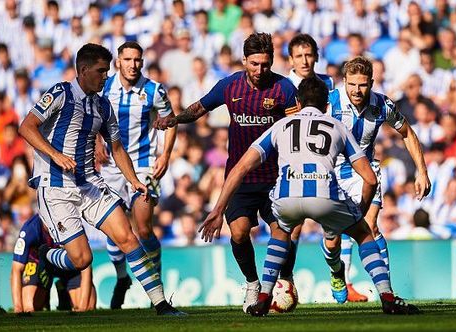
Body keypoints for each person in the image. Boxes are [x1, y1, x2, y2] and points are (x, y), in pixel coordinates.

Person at [200, 76, 419, 316]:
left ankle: (263, 298)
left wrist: (218, 209)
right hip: (324, 193)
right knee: (364, 234)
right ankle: (387, 297)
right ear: (327, 105)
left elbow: (240, 168)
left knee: (281, 234)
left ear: (298, 102)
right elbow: (370, 178)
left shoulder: (281, 125)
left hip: (287, 196)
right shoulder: (337, 126)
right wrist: (358, 214)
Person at [18, 43, 183, 316]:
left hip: (90, 184)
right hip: (56, 186)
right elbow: (26, 127)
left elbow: (117, 148)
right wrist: (55, 155)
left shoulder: (103, 105)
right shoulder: (60, 93)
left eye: (106, 71)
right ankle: (47, 254)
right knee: (82, 259)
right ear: (83, 70)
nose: (105, 76)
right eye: (100, 71)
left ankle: (162, 304)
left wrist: (134, 181)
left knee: (128, 237)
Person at [155, 32, 297, 312]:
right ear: (244, 60)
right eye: (255, 64)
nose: (260, 70)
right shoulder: (230, 86)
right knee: (240, 233)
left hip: (275, 177)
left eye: (265, 64)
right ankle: (253, 284)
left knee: (282, 232)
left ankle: (281, 284)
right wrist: (174, 119)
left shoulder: (284, 89)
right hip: (240, 178)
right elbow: (198, 108)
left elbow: (297, 128)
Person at [328, 56, 430, 299]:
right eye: (352, 84)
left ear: (371, 83)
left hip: (366, 171)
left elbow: (407, 132)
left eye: (362, 84)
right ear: (344, 82)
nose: (356, 90)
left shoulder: (382, 105)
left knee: (370, 226)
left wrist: (422, 171)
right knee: (336, 234)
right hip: (334, 170)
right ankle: (339, 276)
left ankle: (386, 291)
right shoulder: (330, 101)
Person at [285, 33, 366, 301]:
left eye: (309, 55)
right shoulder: (284, 87)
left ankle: (344, 279)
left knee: (342, 222)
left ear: (317, 56)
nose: (305, 60)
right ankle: (286, 281)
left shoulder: (330, 84)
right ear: (291, 60)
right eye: (299, 56)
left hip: (329, 162)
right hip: (294, 162)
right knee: (292, 226)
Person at [97, 41, 177, 309]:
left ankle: (157, 284)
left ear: (142, 62)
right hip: (110, 167)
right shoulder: (105, 86)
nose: (133, 65)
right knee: (114, 230)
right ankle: (122, 278)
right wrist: (97, 142)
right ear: (118, 61)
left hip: (144, 165)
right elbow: (92, 117)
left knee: (143, 227)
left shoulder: (153, 90)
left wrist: (165, 155)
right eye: (128, 59)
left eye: (137, 60)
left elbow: (171, 121)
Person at [11, 214, 95, 313]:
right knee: (29, 308)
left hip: (66, 264)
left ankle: (63, 293)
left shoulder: (72, 224)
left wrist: (82, 307)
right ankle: (45, 297)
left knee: (89, 306)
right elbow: (16, 269)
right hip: (39, 264)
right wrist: (18, 308)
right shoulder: (30, 229)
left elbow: (86, 267)